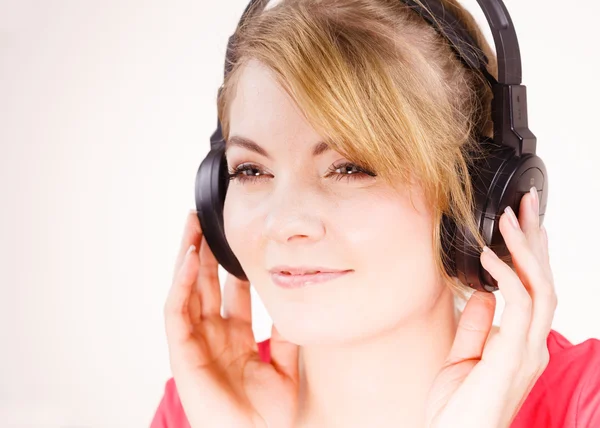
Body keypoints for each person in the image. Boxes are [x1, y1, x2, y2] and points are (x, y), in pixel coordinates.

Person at [151, 0, 600, 426]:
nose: (283, 223)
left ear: (476, 199)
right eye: (251, 170)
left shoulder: (587, 402)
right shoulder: (201, 404)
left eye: (350, 168)